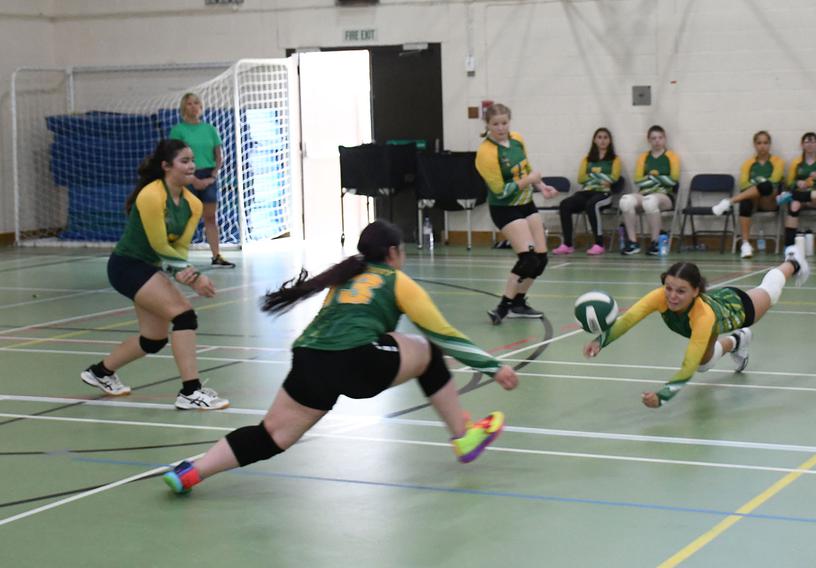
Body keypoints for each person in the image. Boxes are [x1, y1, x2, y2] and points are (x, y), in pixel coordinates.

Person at [162, 220, 519, 493]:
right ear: (393, 253)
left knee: (271, 436)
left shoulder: (345, 275)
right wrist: (493, 367)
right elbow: (442, 332)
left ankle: (193, 472)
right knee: (428, 350)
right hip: (359, 361)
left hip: (309, 360)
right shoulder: (396, 281)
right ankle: (462, 436)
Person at [79, 139, 229, 410]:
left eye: (192, 160)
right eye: (184, 161)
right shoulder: (151, 194)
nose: (192, 165)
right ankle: (190, 392)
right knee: (184, 317)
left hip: (150, 267)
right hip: (126, 266)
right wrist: (192, 277)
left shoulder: (193, 204)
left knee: (154, 339)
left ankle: (100, 372)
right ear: (166, 166)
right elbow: (159, 243)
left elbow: (178, 247)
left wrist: (183, 271)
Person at [582, 245, 810, 408]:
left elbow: (687, 365)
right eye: (669, 287)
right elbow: (629, 319)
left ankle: (793, 261)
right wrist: (600, 341)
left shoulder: (703, 318)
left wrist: (662, 396)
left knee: (770, 291)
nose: (672, 296)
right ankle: (737, 341)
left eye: (681, 291)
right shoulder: (659, 297)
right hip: (713, 315)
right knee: (704, 365)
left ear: (695, 291)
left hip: (736, 308)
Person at [475, 103, 558, 324]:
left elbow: (527, 169)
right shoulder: (486, 153)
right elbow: (500, 191)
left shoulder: (517, 139)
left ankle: (519, 303)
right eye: (495, 124)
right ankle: (503, 307)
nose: (501, 128)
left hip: (526, 203)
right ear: (488, 125)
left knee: (540, 259)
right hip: (505, 208)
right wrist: (528, 181)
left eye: (504, 123)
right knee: (528, 259)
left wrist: (541, 186)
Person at [168, 92, 235, 268]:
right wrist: (191, 178)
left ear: (201, 107)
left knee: (210, 217)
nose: (193, 106)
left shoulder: (210, 129)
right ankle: (175, 258)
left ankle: (216, 255)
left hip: (208, 176)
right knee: (185, 217)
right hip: (187, 175)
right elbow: (175, 157)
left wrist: (212, 175)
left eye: (196, 103)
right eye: (189, 103)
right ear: (184, 108)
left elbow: (219, 156)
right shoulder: (178, 130)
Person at [711, 131, 786, 258]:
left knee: (766, 186)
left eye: (765, 143)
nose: (762, 146)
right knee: (745, 201)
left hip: (770, 200)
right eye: (759, 143)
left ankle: (729, 201)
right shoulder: (748, 163)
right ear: (755, 145)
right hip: (754, 201)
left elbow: (774, 180)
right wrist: (759, 183)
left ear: (770, 145)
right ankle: (746, 244)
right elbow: (744, 183)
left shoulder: (778, 161)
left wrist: (756, 182)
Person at [551, 127, 623, 256]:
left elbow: (614, 178)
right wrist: (601, 177)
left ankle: (599, 244)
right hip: (586, 192)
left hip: (604, 194)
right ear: (595, 140)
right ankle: (567, 244)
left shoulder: (615, 159)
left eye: (605, 137)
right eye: (599, 137)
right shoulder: (587, 159)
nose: (602, 140)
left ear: (610, 140)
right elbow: (580, 178)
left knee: (592, 204)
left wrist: (592, 176)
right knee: (564, 205)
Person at [620, 125, 680, 256]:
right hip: (644, 193)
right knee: (626, 201)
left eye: (660, 138)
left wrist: (650, 177)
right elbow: (638, 180)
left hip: (664, 195)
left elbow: (673, 180)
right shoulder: (643, 157)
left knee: (650, 201)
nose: (657, 141)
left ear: (665, 139)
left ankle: (655, 242)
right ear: (649, 140)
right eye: (653, 138)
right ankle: (632, 242)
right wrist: (660, 178)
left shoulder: (672, 157)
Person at [778, 132, 816, 247]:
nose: (810, 144)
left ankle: (791, 196)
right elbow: (789, 183)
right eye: (807, 141)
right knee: (794, 206)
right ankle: (789, 248)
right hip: (802, 195)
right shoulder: (796, 162)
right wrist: (797, 183)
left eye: (813, 141)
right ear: (802, 144)